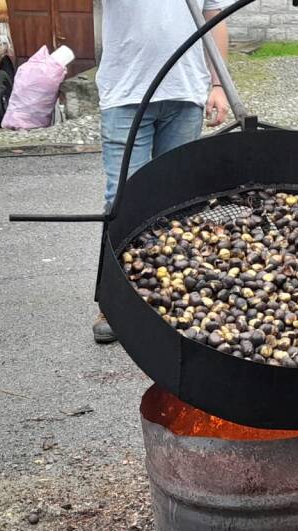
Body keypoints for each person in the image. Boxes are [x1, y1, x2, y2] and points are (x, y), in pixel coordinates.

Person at [92, 0, 233, 344]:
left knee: (176, 205)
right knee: (124, 201)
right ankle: (117, 303)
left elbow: (214, 18)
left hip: (185, 95)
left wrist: (218, 85)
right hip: (126, 95)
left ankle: (169, 298)